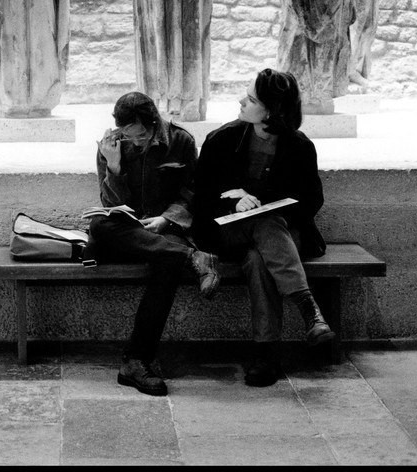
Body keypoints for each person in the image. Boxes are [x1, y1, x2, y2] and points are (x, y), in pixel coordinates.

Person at [194, 68, 333, 387]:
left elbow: (311, 201)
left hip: (282, 235)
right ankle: (308, 309)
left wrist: (257, 198)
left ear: (271, 111)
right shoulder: (221, 139)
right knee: (264, 223)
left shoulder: (298, 145)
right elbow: (200, 200)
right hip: (227, 232)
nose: (241, 101)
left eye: (252, 98)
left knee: (259, 257)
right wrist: (233, 203)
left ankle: (265, 355)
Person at [84, 92, 222, 397]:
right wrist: (115, 165)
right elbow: (110, 204)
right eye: (129, 136)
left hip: (165, 231)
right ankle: (193, 257)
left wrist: (166, 219)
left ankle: (136, 361)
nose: (137, 142)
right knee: (99, 225)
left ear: (154, 121)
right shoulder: (111, 146)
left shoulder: (181, 141)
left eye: (143, 135)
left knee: (167, 262)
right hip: (127, 231)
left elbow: (191, 194)